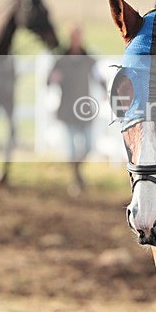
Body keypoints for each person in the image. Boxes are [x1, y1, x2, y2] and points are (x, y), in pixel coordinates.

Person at [47, 26, 106, 196]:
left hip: (84, 110)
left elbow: (98, 78)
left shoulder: (88, 59)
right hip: (67, 110)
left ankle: (77, 173)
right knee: (71, 150)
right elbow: (49, 81)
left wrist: (105, 92)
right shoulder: (61, 60)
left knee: (88, 146)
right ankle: (77, 180)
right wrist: (53, 79)